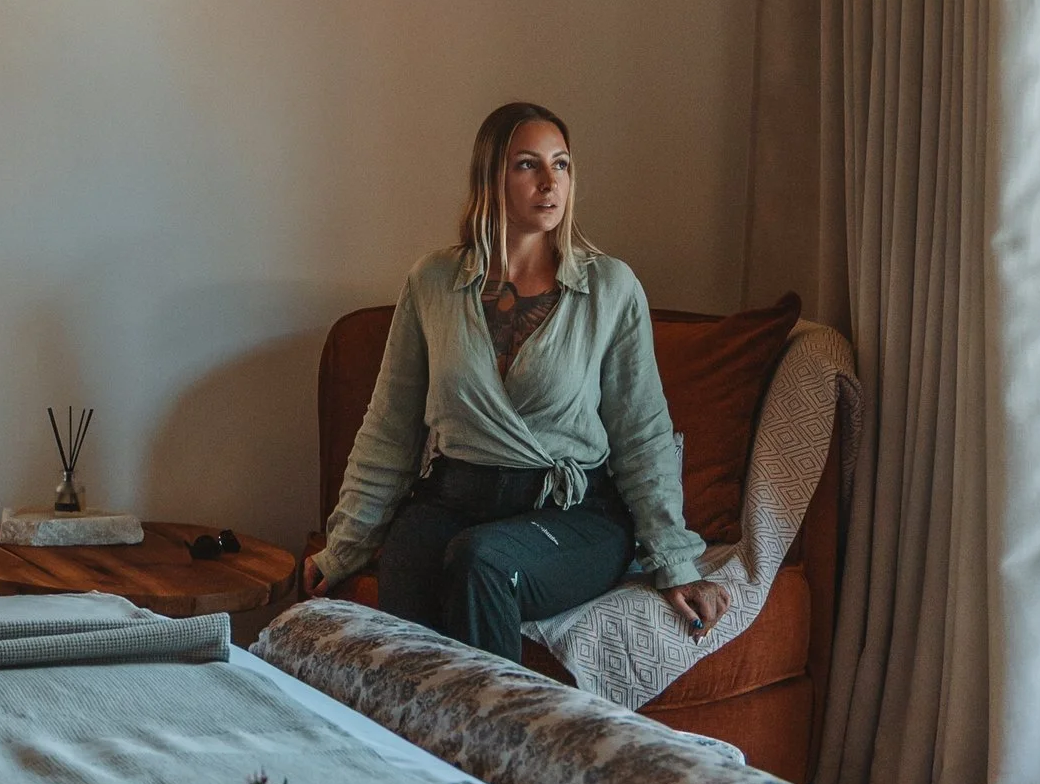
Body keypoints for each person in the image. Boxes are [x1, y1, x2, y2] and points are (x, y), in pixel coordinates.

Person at [306, 102, 730, 664]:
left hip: (573, 513)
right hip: (453, 497)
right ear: (492, 177)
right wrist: (344, 547)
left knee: (482, 559)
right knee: (409, 565)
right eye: (528, 164)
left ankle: (500, 721)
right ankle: (408, 724)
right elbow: (390, 428)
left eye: (562, 164)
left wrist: (674, 562)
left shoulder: (610, 287)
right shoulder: (433, 282)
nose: (550, 182)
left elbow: (642, 433)